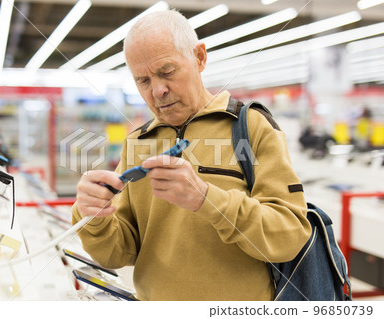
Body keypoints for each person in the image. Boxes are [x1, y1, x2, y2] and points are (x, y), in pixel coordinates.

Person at [72, 10, 311, 301]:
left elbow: (289, 235)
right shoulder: (138, 142)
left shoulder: (251, 127)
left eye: (167, 72)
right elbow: (118, 253)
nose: (158, 90)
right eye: (143, 81)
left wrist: (207, 199)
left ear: (199, 58)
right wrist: (94, 215)